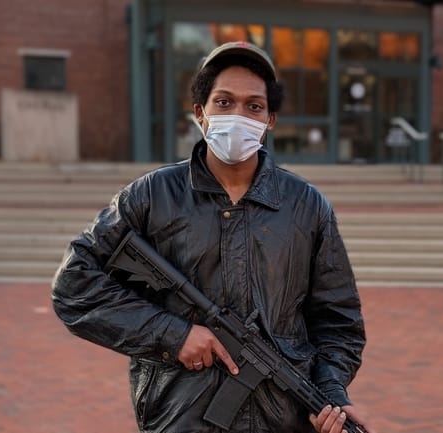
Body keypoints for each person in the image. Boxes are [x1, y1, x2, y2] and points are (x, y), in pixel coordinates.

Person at [51, 41, 374, 433]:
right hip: (179, 419)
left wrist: (331, 396)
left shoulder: (306, 206)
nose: (238, 115)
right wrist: (174, 335)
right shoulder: (151, 196)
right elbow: (73, 285)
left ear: (270, 120)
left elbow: (338, 323)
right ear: (200, 113)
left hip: (285, 421)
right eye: (224, 102)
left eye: (254, 106)